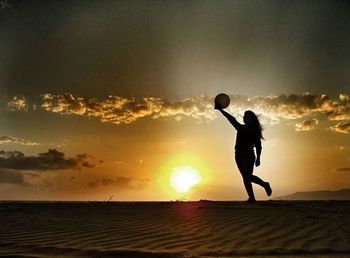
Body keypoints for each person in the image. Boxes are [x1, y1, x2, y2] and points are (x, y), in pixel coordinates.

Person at [215, 104, 272, 202]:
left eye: (246, 116)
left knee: (247, 177)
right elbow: (231, 119)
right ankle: (256, 193)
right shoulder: (240, 128)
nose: (244, 118)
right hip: (238, 155)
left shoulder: (254, 132)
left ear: (251, 119)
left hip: (248, 155)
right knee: (246, 177)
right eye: (244, 116)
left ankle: (258, 191)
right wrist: (221, 110)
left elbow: (259, 146)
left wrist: (258, 158)